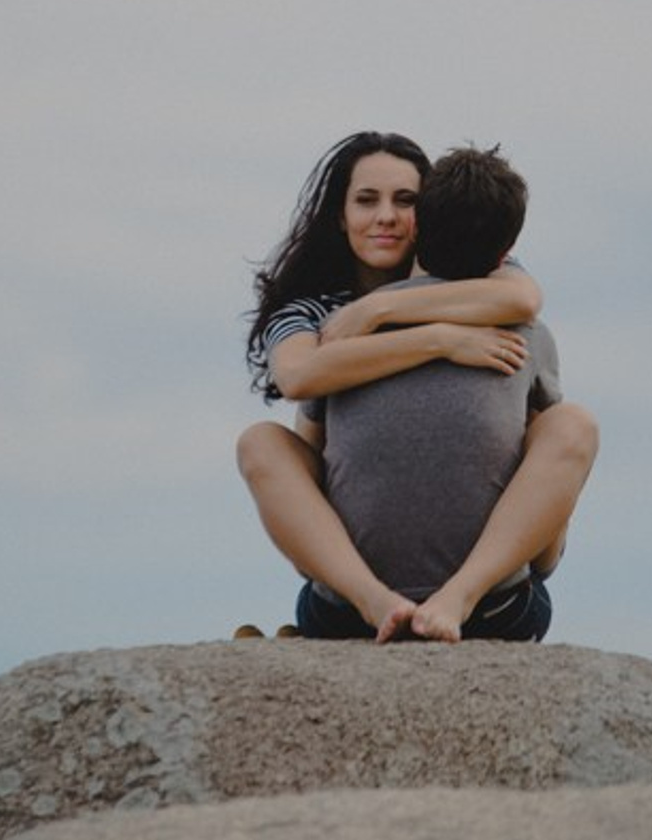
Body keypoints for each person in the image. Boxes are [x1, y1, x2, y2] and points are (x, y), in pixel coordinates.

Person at [237, 132, 598, 642]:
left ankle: (454, 593)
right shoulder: (311, 310)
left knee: (555, 421)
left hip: (468, 596)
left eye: (404, 201)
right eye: (366, 200)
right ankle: (372, 598)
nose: (385, 216)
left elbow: (525, 298)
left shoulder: (485, 282)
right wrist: (439, 340)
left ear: (427, 216)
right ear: (339, 216)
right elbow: (298, 376)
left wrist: (380, 309)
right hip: (366, 590)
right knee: (263, 441)